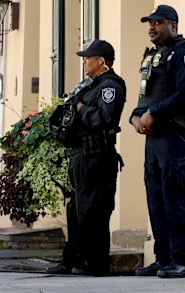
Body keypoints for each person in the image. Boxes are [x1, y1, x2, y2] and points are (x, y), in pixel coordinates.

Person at [130, 5, 185, 278]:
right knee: (156, 198)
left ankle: (182, 261)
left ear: (172, 24)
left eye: (158, 22)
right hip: (155, 138)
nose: (152, 27)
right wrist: (136, 117)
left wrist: (154, 113)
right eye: (149, 22)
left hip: (178, 135)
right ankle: (163, 259)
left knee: (175, 197)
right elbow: (147, 96)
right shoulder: (153, 55)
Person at [46, 39, 126, 276]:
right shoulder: (89, 86)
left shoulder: (110, 87)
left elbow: (105, 118)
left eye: (88, 59)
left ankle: (94, 263)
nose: (84, 63)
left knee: (93, 210)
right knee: (77, 209)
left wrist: (81, 109)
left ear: (101, 62)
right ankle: (75, 259)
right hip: (80, 155)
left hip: (97, 156)